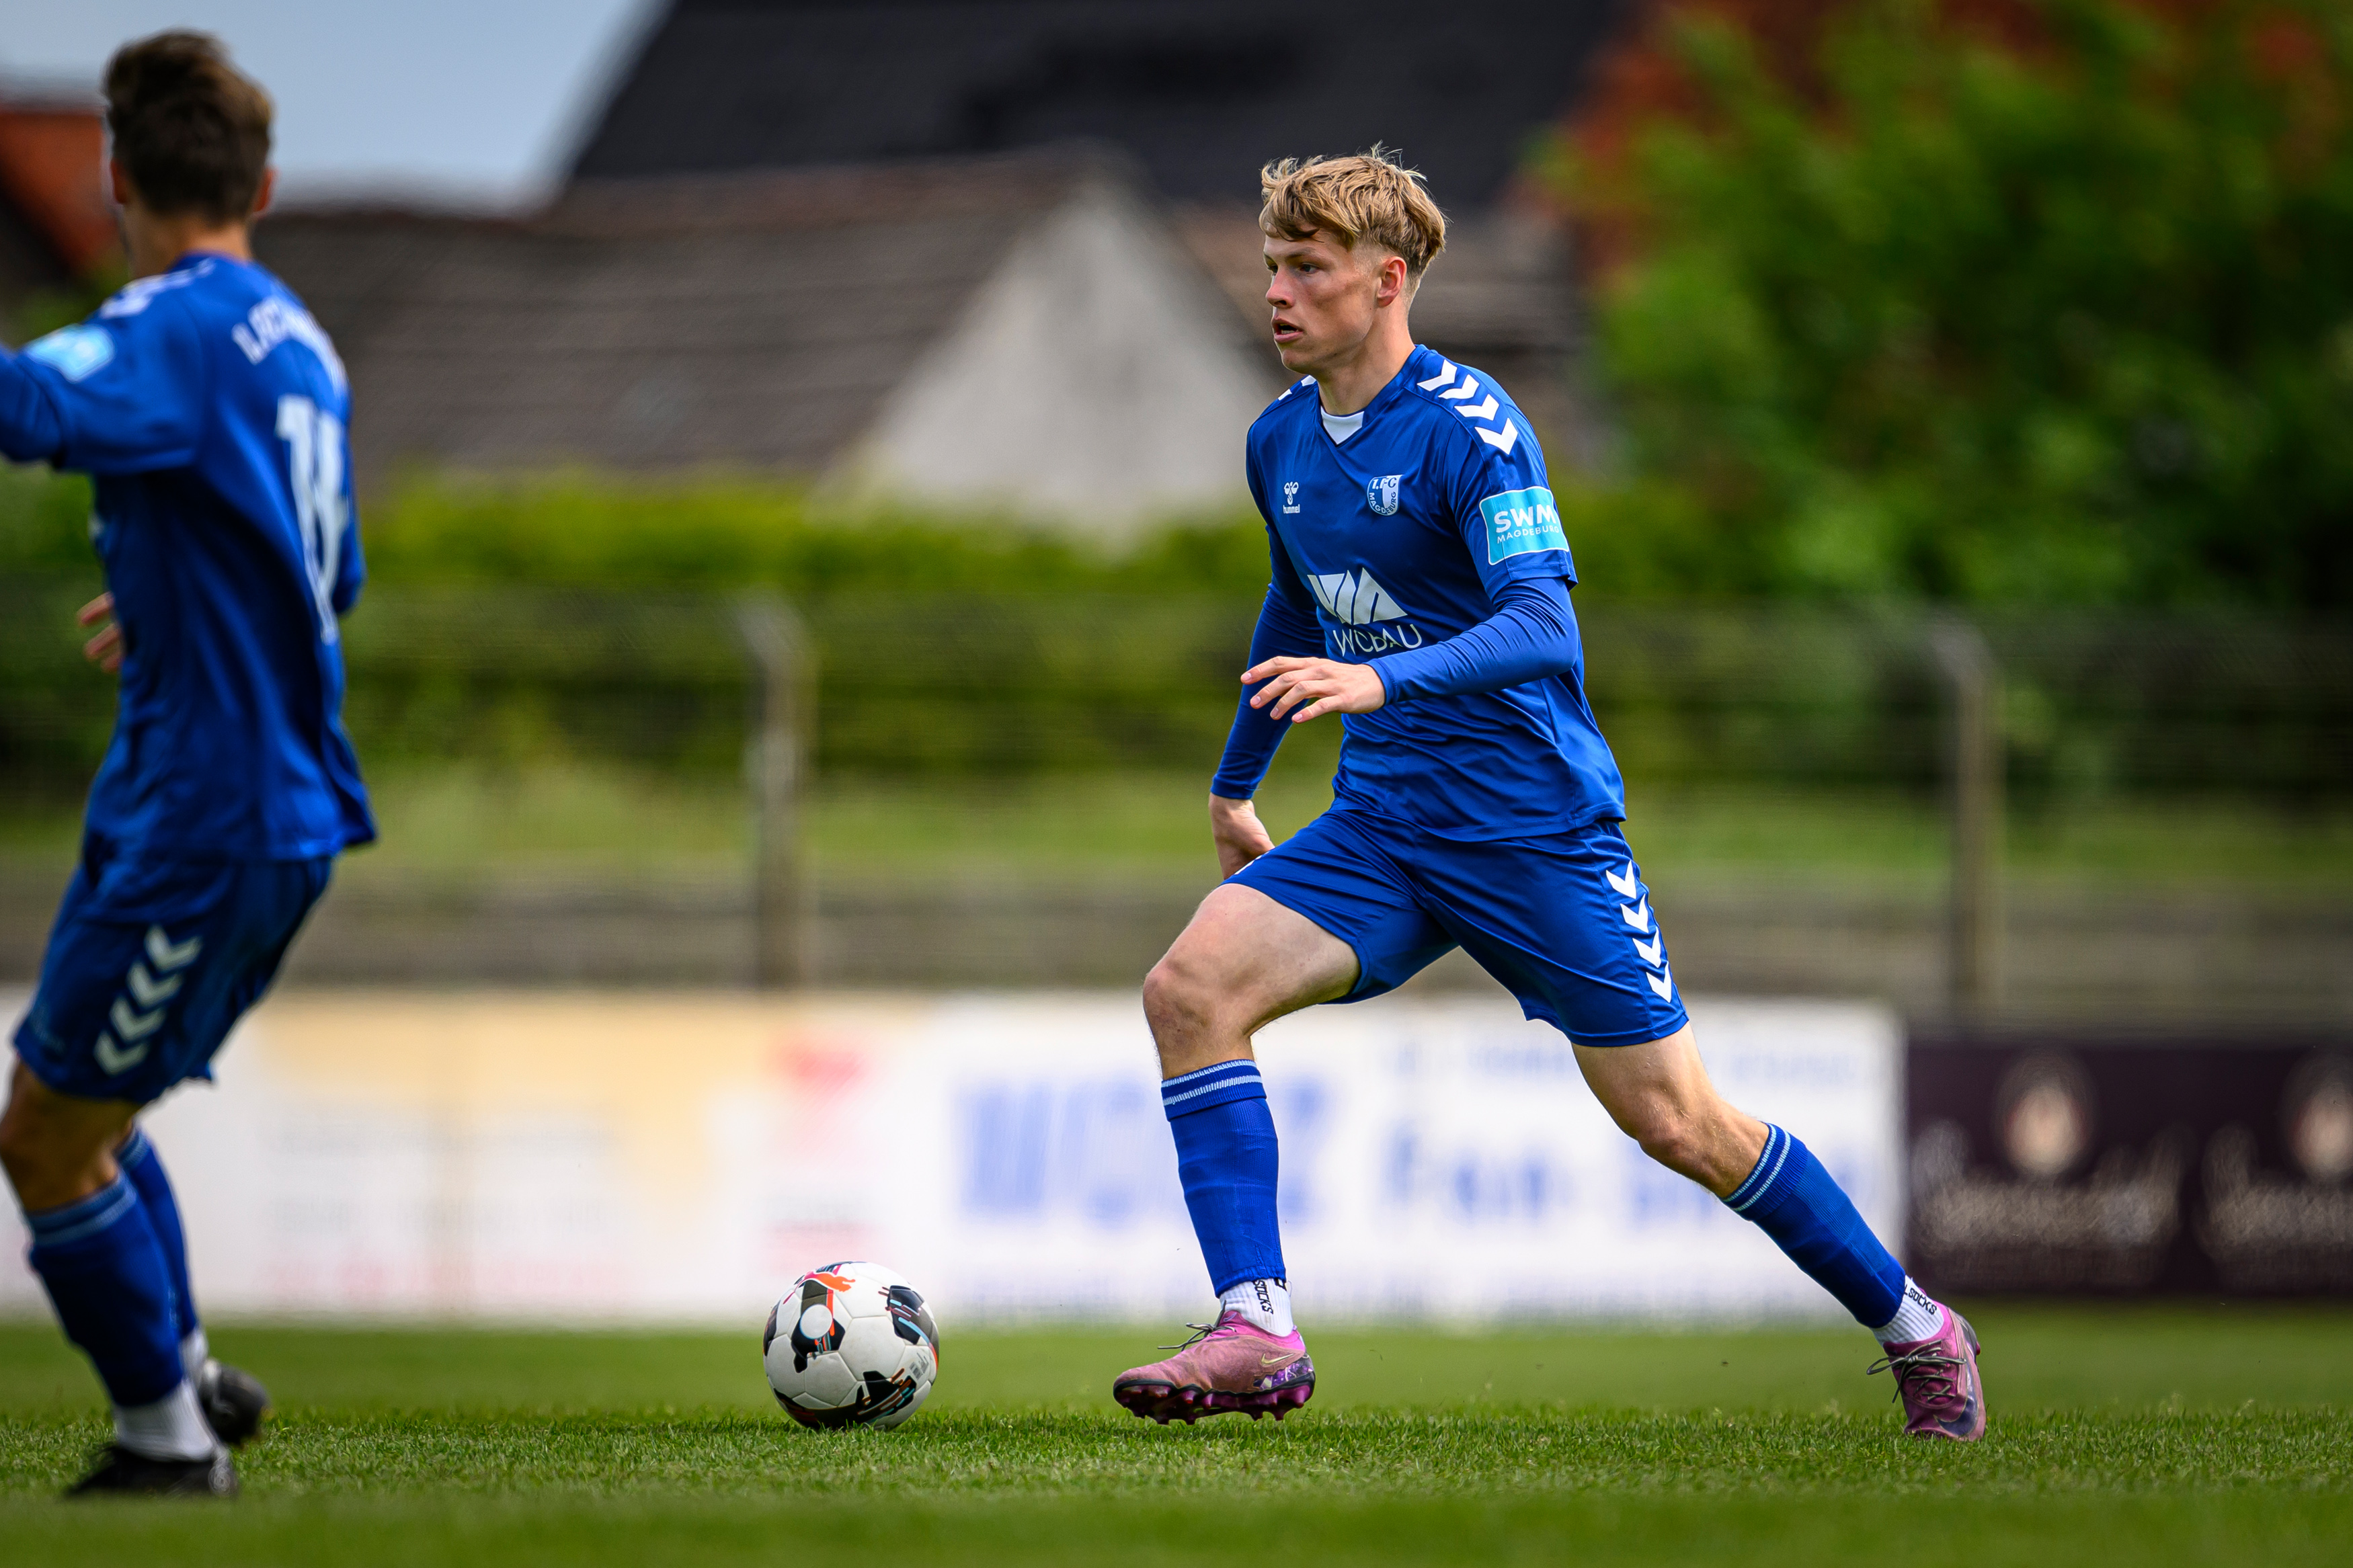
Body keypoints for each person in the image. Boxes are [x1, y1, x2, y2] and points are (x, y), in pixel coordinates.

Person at [1111, 150, 1985, 1442]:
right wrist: (1237, 782)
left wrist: (1383, 687)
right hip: (1387, 828)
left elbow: (1541, 628)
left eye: (1308, 268)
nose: (1278, 293)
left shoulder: (1472, 426)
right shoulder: (1278, 440)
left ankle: (1921, 1327)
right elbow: (1299, 601)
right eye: (1273, 267)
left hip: (1534, 831)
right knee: (1190, 989)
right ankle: (1259, 1326)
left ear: (1387, 280)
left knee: (1678, 1121)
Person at [0, 32, 372, 1497]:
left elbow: (30, 405)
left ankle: (166, 1436)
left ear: (114, 179)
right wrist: (173, 594)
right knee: (80, 1099)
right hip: (225, 794)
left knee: (45, 1139)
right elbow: (323, 569)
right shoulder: (297, 334)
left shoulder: (169, 324)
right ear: (265, 183)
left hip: (208, 811)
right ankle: (191, 1368)